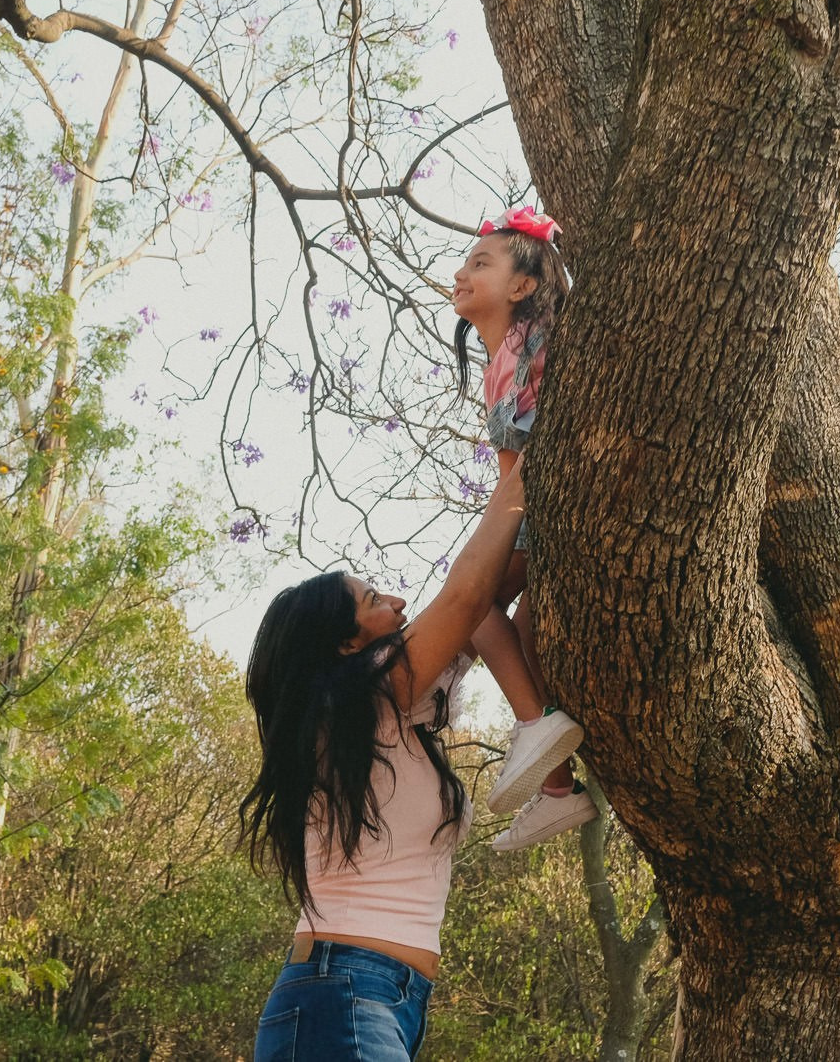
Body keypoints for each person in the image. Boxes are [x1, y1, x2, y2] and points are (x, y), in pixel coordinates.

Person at [241, 463, 527, 1061]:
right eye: (373, 600)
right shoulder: (363, 694)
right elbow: (466, 596)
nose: (398, 602)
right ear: (346, 644)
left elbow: (489, 603)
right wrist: (522, 466)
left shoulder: (390, 710)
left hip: (375, 996)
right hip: (343, 992)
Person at [451, 206, 600, 851]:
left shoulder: (524, 344)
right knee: (531, 642)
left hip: (551, 507)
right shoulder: (506, 353)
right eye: (464, 260)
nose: (461, 272)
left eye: (481, 262)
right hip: (549, 509)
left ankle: (534, 725)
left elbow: (520, 468)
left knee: (472, 601)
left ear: (522, 285)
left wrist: (491, 542)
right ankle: (559, 791)